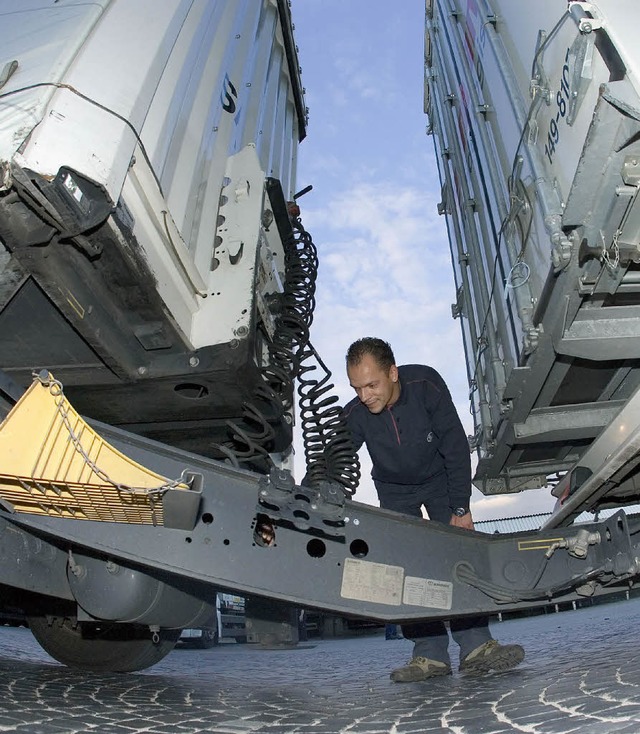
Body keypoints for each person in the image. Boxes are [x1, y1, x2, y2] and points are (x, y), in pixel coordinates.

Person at [342, 337, 524, 682]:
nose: (365, 396)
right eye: (357, 388)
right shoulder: (356, 414)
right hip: (395, 490)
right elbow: (330, 462)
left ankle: (476, 646)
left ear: (392, 373)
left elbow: (455, 445)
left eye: (371, 385)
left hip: (440, 480)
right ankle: (429, 655)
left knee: (457, 557)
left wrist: (460, 506)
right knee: (409, 567)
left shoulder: (426, 384)